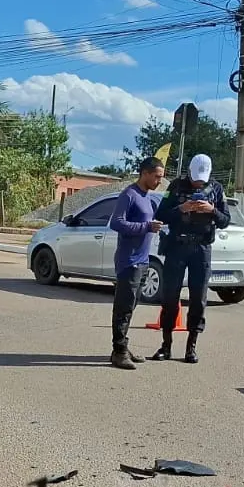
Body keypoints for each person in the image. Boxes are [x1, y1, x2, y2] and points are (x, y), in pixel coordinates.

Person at [150, 154, 229, 364]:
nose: (198, 183)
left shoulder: (216, 189)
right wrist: (181, 209)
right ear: (189, 172)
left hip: (201, 249)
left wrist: (212, 210)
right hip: (177, 246)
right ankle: (166, 345)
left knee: (198, 298)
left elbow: (225, 220)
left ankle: (191, 347)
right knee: (170, 296)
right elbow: (161, 214)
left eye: (202, 180)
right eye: (195, 179)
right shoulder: (176, 186)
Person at [107, 156, 167, 370]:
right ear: (145, 173)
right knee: (123, 308)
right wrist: (146, 227)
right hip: (128, 262)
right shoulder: (129, 194)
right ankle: (119, 352)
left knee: (130, 307)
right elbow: (116, 223)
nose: (159, 181)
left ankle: (123, 346)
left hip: (142, 261)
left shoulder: (147, 197)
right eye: (157, 177)